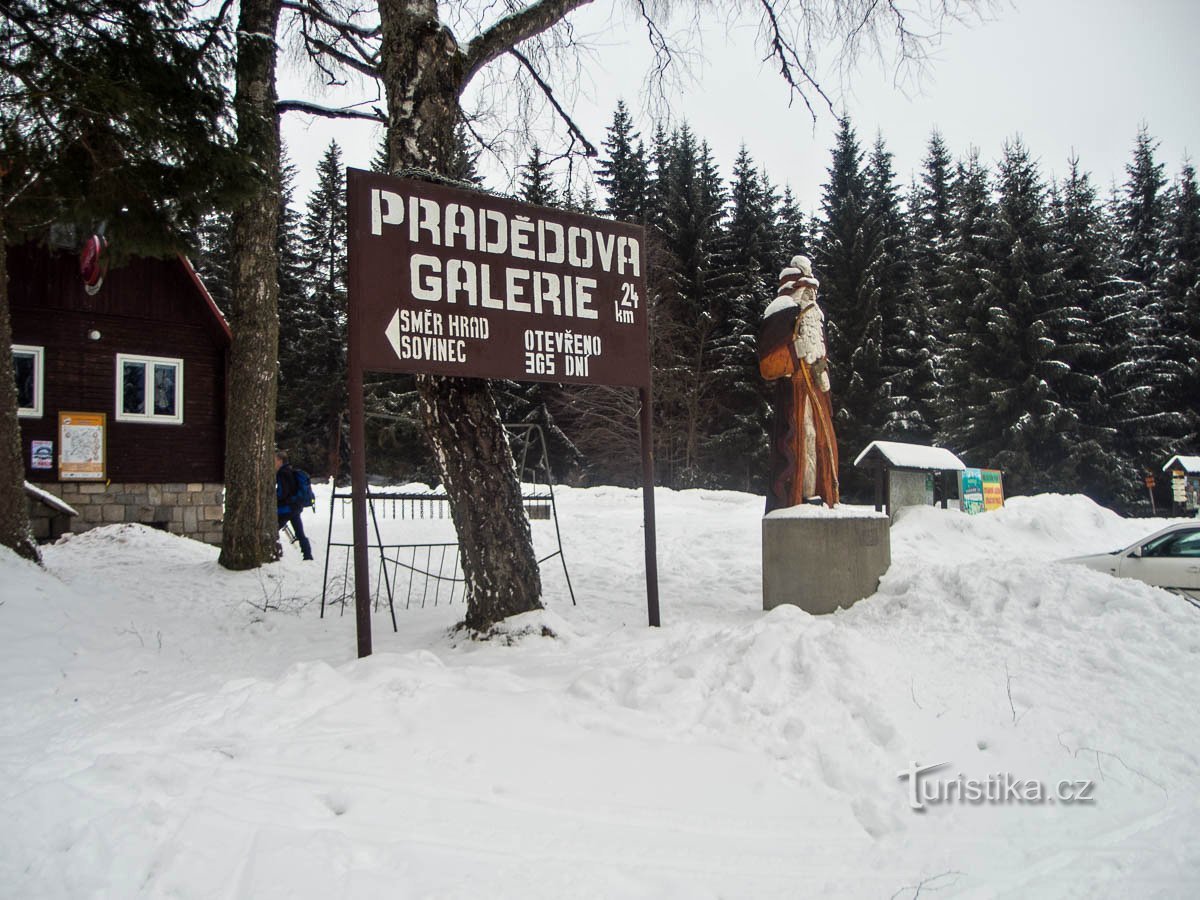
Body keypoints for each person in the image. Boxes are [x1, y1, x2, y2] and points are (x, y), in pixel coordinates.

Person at [757, 255, 840, 510]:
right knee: (797, 446)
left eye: (814, 290)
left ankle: (820, 493)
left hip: (816, 393)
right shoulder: (781, 313)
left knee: (821, 444)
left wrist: (821, 371)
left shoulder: (816, 319)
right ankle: (799, 494)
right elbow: (768, 364)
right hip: (794, 393)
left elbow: (818, 354)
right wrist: (795, 352)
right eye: (808, 289)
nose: (812, 295)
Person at [275, 450, 314, 560]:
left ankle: (274, 552)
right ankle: (307, 554)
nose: (273, 463)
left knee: (272, 530)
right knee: (299, 532)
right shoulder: (290, 470)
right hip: (295, 506)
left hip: (286, 508)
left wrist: (274, 498)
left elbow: (283, 492)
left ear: (280, 460)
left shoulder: (282, 473)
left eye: (274, 460)